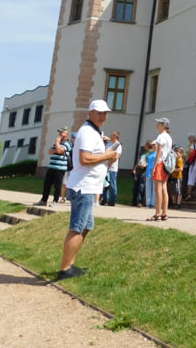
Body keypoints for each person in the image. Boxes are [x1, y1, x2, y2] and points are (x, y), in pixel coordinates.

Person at [58, 99, 119, 280]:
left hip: (88, 186)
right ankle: (65, 269)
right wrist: (107, 155)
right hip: (83, 187)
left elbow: (92, 159)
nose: (103, 116)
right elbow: (85, 159)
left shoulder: (94, 132)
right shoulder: (87, 132)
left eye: (105, 113)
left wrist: (108, 160)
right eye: (99, 113)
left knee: (85, 227)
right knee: (77, 228)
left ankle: (70, 265)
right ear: (90, 113)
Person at [37, 126, 72, 207]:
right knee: (47, 184)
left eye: (62, 132)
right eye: (59, 132)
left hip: (60, 168)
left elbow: (60, 151)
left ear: (66, 134)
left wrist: (57, 143)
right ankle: (43, 200)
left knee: (58, 185)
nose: (60, 134)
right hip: (52, 167)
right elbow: (50, 151)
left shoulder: (68, 143)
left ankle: (55, 201)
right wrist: (57, 147)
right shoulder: (57, 143)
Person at [150, 117, 173, 221]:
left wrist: (154, 167)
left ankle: (157, 213)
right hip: (166, 164)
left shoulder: (161, 137)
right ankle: (165, 212)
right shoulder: (169, 137)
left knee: (158, 189)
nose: (157, 125)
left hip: (160, 163)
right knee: (164, 188)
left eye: (159, 123)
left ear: (164, 125)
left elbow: (158, 152)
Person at [100, 130, 122, 206]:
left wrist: (109, 164)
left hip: (112, 168)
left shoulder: (117, 145)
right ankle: (104, 199)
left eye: (112, 135)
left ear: (116, 136)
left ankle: (112, 200)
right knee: (105, 184)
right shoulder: (109, 144)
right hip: (105, 166)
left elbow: (116, 157)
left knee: (112, 184)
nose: (111, 136)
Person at [185, 134, 196, 199]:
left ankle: (188, 194)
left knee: (190, 179)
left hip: (194, 164)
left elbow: (190, 153)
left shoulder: (194, 145)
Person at [144, 141, 156, 207]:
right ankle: (148, 203)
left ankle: (153, 203)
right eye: (153, 145)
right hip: (148, 171)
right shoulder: (150, 153)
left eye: (154, 145)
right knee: (148, 188)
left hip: (155, 172)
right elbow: (146, 161)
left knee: (154, 188)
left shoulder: (158, 153)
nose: (153, 146)